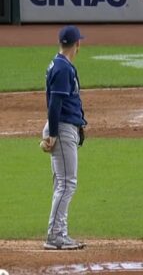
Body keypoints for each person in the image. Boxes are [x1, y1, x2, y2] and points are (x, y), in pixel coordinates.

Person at [42, 25, 87, 250]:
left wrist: (80, 125)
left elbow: (65, 101)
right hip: (61, 128)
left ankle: (59, 232)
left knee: (62, 183)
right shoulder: (62, 68)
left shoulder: (60, 64)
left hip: (64, 126)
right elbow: (55, 103)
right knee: (67, 183)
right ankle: (56, 235)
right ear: (76, 44)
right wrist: (52, 134)